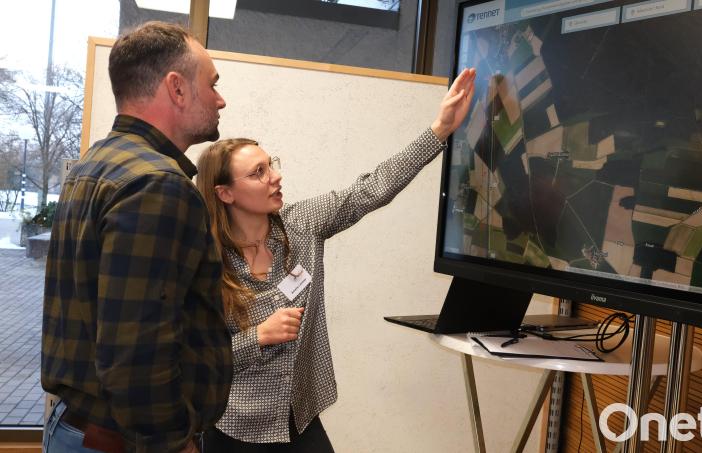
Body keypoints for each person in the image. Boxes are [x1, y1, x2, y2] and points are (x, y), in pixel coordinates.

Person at [194, 67, 476, 451]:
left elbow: (372, 188)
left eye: (271, 164)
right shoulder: (207, 261)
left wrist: (440, 129)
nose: (275, 176)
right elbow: (197, 358)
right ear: (225, 193)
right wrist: (257, 337)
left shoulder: (302, 224)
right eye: (258, 172)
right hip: (237, 426)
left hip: (299, 417)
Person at [41, 22, 233, 453]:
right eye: (212, 84)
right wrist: (174, 443)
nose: (220, 99)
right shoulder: (157, 184)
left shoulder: (98, 163)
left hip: (77, 428)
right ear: (177, 88)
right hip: (126, 442)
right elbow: (137, 351)